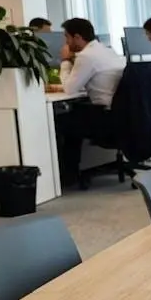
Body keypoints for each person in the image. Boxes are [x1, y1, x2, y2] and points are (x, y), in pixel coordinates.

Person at [56, 18, 126, 182]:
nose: (65, 42)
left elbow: (69, 89)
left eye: (67, 37)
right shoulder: (107, 50)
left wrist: (65, 61)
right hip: (120, 114)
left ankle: (68, 175)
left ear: (78, 37)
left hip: (106, 118)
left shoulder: (87, 56)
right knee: (74, 114)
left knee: (60, 122)